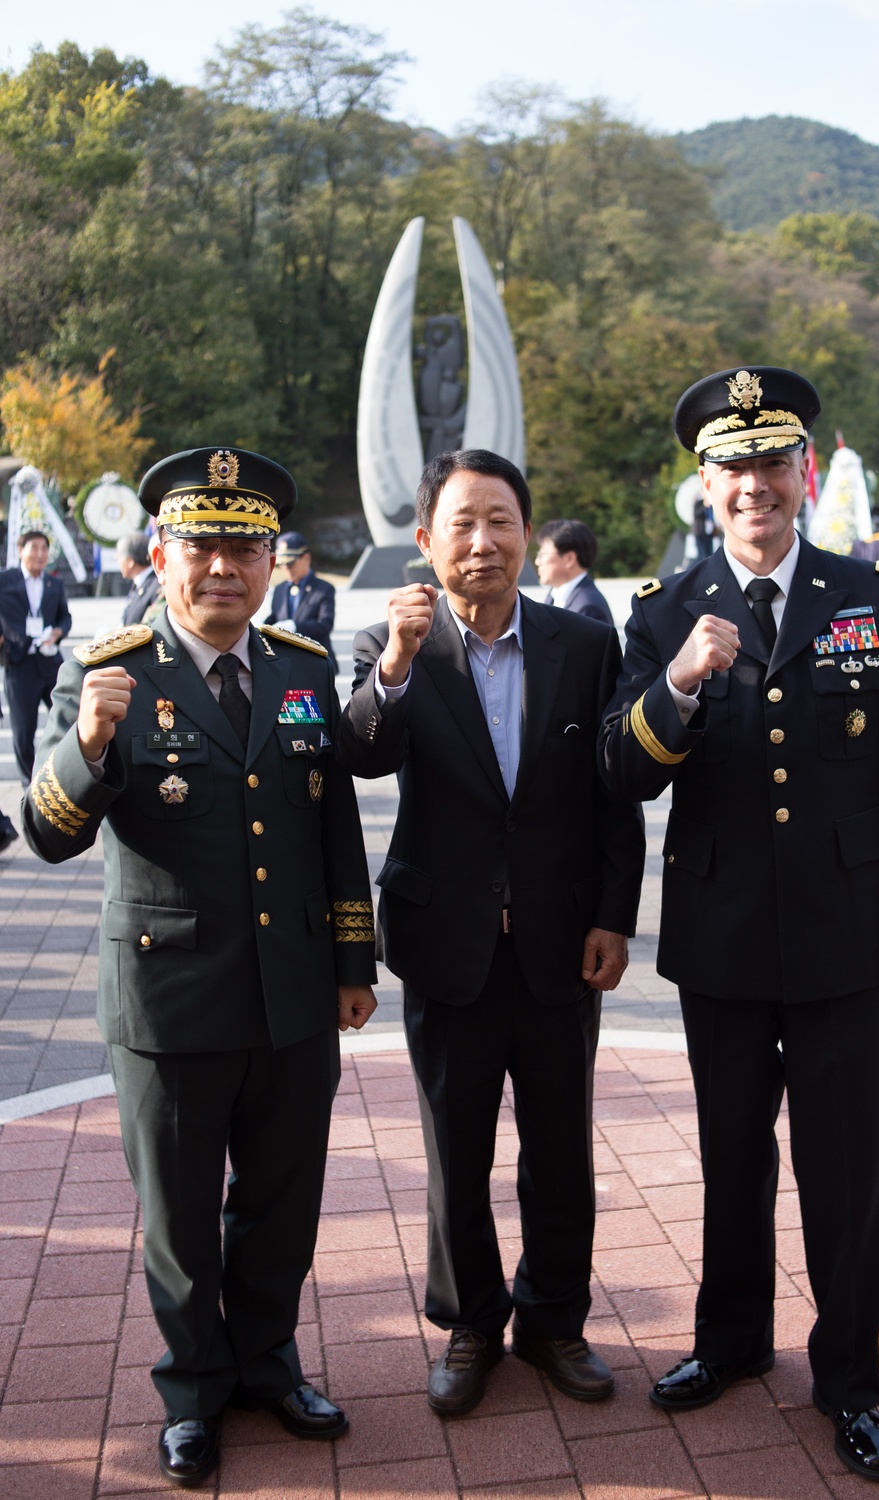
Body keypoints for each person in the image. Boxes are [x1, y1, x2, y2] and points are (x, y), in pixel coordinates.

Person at [599, 368, 879, 1483]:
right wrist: (680, 683)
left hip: (850, 933)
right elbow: (620, 768)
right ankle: (729, 1342)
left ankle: (849, 1379)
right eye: (731, 466)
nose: (753, 484)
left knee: (844, 1165)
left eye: (771, 462)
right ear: (700, 485)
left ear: (802, 473)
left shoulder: (872, 595)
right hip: (718, 934)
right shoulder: (661, 614)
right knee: (728, 1156)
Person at [22, 447, 378, 1489]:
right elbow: (45, 834)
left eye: (245, 548)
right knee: (180, 1220)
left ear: (271, 561)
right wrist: (89, 745)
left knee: (281, 1199)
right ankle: (193, 1391)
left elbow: (334, 833)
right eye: (204, 546)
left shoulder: (303, 666)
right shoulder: (110, 672)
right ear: (160, 553)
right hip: (171, 1001)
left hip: (294, 992)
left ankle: (267, 1363)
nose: (224, 567)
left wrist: (352, 958)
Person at [337, 449, 645, 1416]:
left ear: (527, 530)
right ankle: (471, 1323)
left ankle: (554, 1320)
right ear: (425, 541)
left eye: (502, 520)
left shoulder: (584, 646)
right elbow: (361, 752)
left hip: (558, 943)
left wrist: (613, 916)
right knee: (454, 1146)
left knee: (560, 1148)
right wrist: (390, 665)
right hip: (448, 940)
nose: (484, 542)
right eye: (462, 524)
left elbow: (616, 797)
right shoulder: (394, 645)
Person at [0, 530, 72, 786]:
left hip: (50, 662)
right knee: (22, 732)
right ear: (20, 550)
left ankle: (63, 778)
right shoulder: (5, 580)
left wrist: (59, 631)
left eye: (44, 548)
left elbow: (65, 617)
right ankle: (28, 786)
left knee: (67, 720)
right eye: (35, 548)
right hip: (19, 665)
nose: (40, 554)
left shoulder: (54, 583)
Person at [265, 530, 338, 670]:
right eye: (282, 564)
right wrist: (262, 626)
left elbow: (325, 624)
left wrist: (295, 626)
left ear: (306, 558)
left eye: (290, 563)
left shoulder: (323, 589)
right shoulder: (280, 588)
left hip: (315, 660)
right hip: (286, 660)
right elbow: (275, 616)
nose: (285, 568)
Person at [534, 518, 615, 625]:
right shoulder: (555, 594)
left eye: (543, 554)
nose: (537, 562)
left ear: (569, 559)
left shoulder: (589, 608)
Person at [117, 531, 163, 625]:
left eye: (118, 557)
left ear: (130, 561)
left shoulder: (158, 584)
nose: (118, 561)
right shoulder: (140, 583)